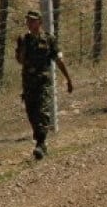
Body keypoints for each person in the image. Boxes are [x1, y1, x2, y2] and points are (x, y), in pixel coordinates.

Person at [14, 10, 72, 160]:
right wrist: (22, 51)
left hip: (43, 83)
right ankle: (41, 142)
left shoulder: (48, 39)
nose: (30, 23)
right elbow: (20, 61)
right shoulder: (23, 39)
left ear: (40, 22)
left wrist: (68, 78)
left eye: (33, 21)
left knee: (43, 111)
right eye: (28, 20)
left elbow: (58, 60)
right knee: (31, 113)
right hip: (28, 83)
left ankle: (40, 143)